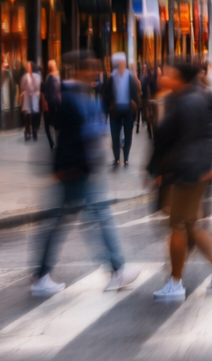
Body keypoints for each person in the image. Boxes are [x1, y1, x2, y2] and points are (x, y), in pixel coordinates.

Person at [31, 52, 136, 297]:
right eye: (92, 72)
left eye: (96, 73)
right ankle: (116, 269)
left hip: (83, 170)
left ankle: (41, 275)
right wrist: (63, 168)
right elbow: (65, 136)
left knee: (66, 222)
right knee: (95, 218)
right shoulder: (70, 98)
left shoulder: (83, 96)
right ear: (81, 72)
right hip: (75, 170)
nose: (95, 77)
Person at [147, 59, 212, 301]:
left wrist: (163, 169)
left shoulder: (187, 101)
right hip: (193, 169)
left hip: (187, 172)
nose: (165, 77)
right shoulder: (187, 97)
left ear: (180, 78)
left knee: (178, 227)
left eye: (170, 73)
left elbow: (185, 140)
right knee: (191, 225)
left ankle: (175, 283)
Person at [103, 52, 140, 168]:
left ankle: (126, 158)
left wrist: (135, 103)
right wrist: (109, 107)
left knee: (128, 135)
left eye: (122, 63)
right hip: (115, 111)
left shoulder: (130, 76)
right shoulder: (112, 77)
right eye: (119, 64)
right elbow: (106, 94)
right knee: (115, 135)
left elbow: (136, 93)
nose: (121, 66)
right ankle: (117, 158)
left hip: (128, 111)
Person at [19, 60, 42, 141]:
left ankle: (34, 130)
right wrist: (23, 93)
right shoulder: (25, 76)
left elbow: (39, 86)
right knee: (27, 114)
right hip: (27, 98)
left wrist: (37, 93)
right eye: (27, 67)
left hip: (35, 97)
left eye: (29, 66)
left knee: (35, 114)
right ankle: (27, 130)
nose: (28, 68)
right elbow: (22, 86)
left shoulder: (37, 76)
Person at [43, 60, 62, 150]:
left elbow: (48, 92)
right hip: (57, 103)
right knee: (56, 124)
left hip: (51, 104)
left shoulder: (49, 77)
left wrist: (46, 103)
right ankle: (57, 142)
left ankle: (52, 143)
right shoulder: (57, 75)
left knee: (48, 125)